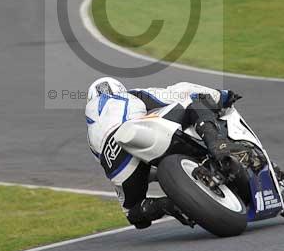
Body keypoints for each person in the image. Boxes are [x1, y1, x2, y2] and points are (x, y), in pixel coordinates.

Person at [84, 77, 242, 229]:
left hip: (116, 164)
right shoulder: (128, 95)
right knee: (192, 103)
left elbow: (109, 163)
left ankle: (170, 205)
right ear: (119, 88)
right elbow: (174, 93)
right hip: (137, 131)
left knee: (133, 213)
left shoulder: (90, 135)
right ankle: (219, 147)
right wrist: (222, 96)